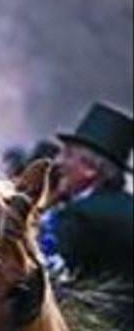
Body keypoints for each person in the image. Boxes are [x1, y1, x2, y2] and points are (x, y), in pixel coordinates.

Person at [48, 102, 133, 288]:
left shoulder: (83, 216)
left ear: (90, 169)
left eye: (68, 155)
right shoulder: (119, 207)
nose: (58, 161)